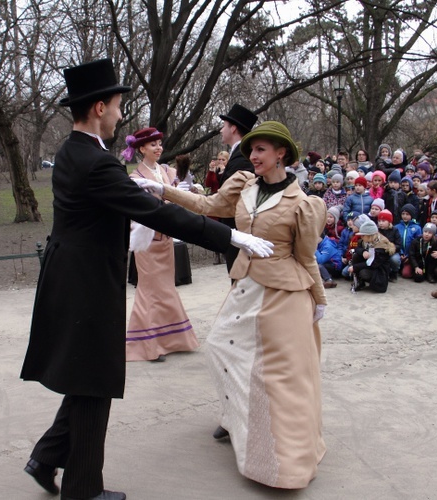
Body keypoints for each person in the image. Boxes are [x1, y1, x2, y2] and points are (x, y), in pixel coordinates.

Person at [20, 59, 273, 500]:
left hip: (75, 275)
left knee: (86, 374)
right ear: (99, 107)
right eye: (117, 106)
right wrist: (232, 234)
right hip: (86, 282)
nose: (121, 114)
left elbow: (121, 203)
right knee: (94, 379)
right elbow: (159, 215)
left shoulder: (74, 151)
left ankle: (46, 456)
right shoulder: (96, 161)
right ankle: (83, 490)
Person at [140, 121, 327, 489]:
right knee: (219, 349)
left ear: (281, 154)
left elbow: (307, 257)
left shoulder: (304, 204)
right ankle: (236, 416)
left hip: (283, 294)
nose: (252, 156)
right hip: (246, 284)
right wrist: (162, 189)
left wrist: (318, 298)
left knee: (277, 377)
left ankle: (283, 462)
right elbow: (208, 205)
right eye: (251, 149)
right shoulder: (244, 184)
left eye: (260, 150)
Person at [123, 128, 199, 362]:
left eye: (159, 144)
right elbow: (139, 208)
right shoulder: (135, 177)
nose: (158, 148)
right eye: (153, 145)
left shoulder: (169, 171)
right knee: (148, 289)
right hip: (147, 240)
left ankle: (173, 339)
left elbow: (185, 194)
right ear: (141, 149)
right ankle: (148, 345)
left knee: (166, 287)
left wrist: (190, 191)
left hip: (166, 238)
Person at [217, 103, 259, 273]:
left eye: (224, 126)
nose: (221, 130)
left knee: (239, 278)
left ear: (233, 128)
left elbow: (230, 196)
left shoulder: (242, 156)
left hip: (238, 228)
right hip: (236, 227)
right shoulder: (239, 154)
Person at [348, 219, 396, 292]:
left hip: (379, 270)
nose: (361, 237)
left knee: (363, 273)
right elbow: (357, 248)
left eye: (363, 235)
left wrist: (355, 267)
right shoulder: (365, 241)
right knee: (356, 256)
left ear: (369, 235)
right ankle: (359, 282)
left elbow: (373, 263)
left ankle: (372, 282)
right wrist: (363, 251)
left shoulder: (381, 246)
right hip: (370, 264)